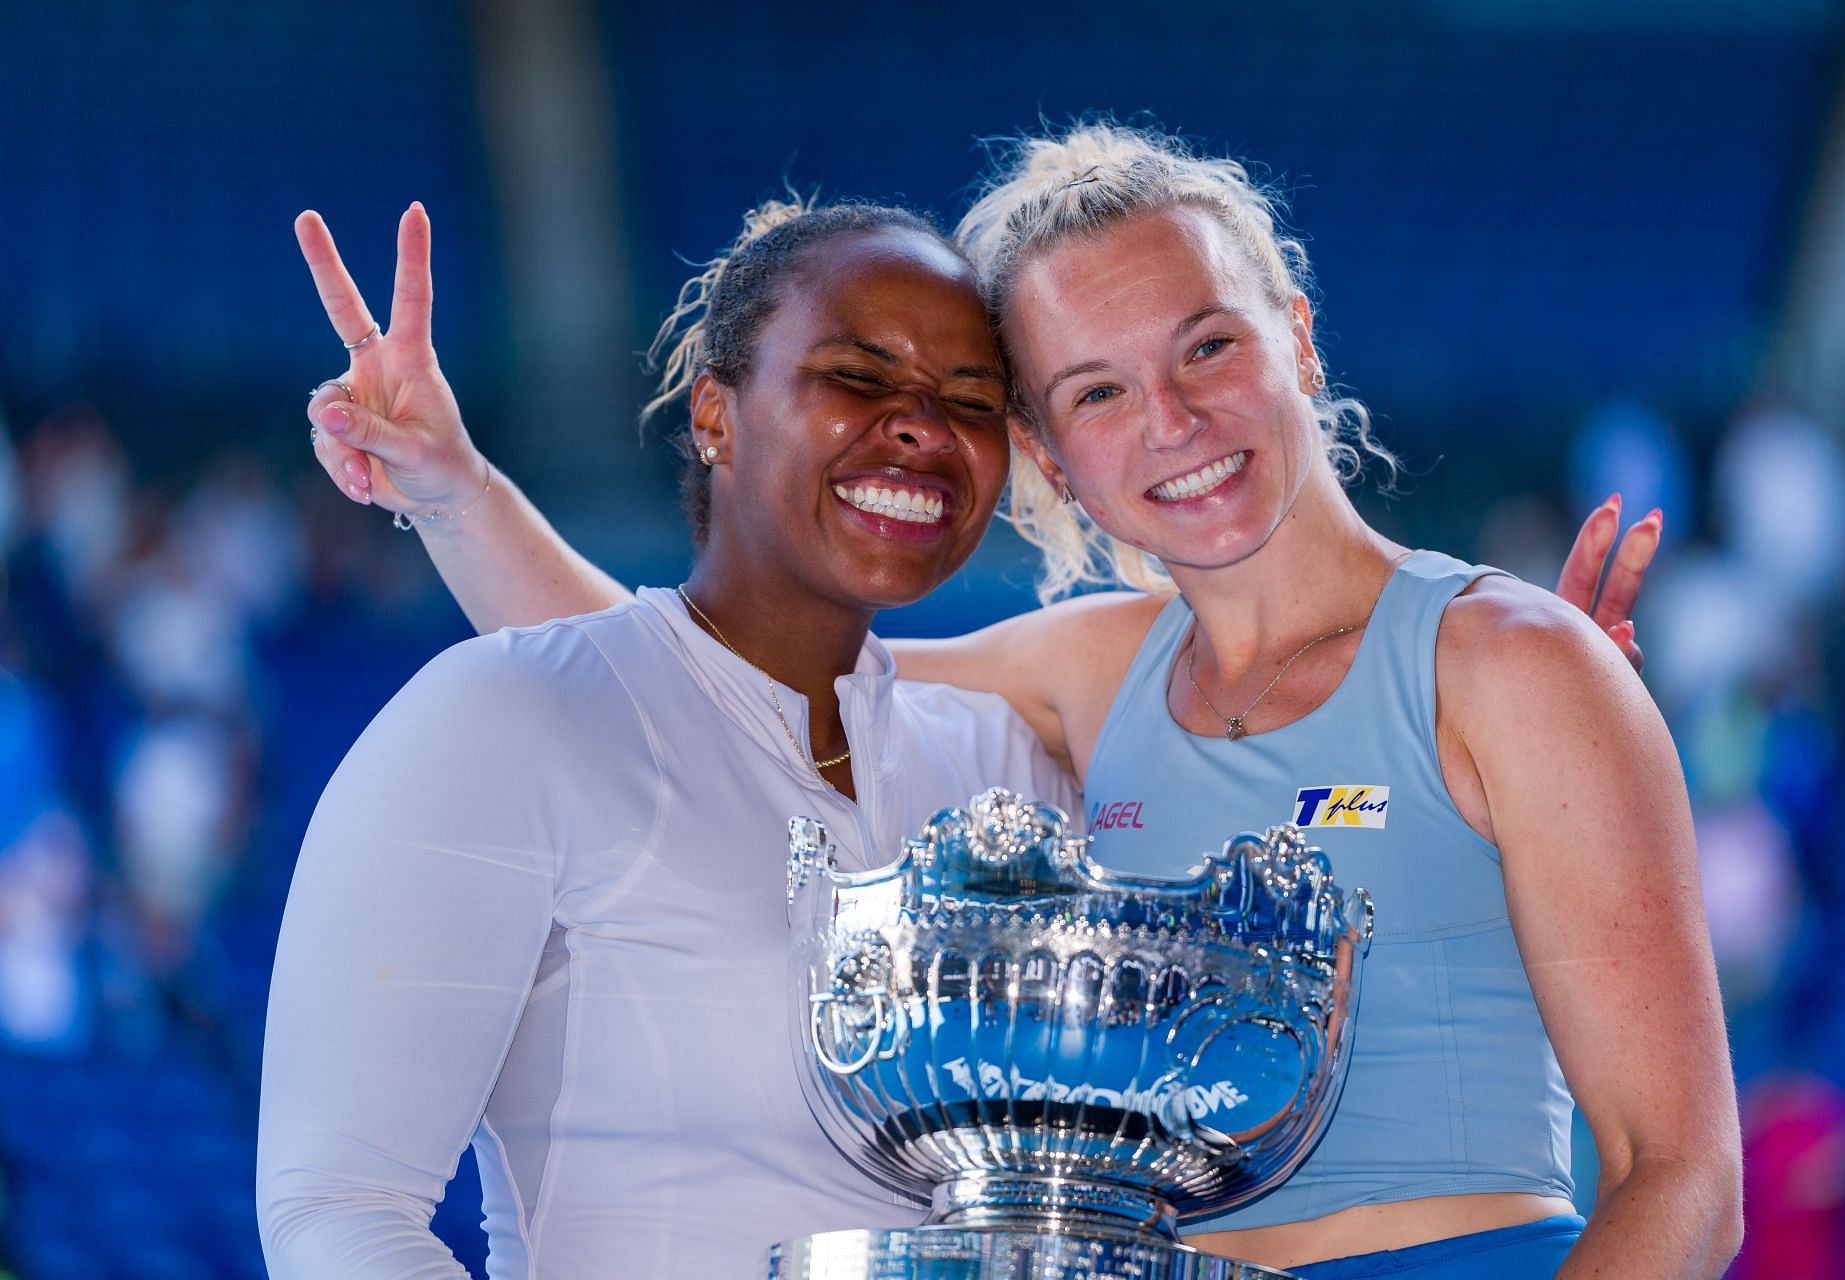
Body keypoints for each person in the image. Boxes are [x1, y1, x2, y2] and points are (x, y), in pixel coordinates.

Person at [283, 128, 1697, 1279]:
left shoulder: (1509, 661)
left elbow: (1681, 1180)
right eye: (1097, 391)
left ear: (1298, 339)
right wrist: (453, 492)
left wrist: (1551, 699)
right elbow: (680, 684)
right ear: (1053, 461)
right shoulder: (1091, 675)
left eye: (1208, 347)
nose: (1172, 423)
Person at [258, 200, 1077, 1277]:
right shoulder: (502, 713)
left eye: (969, 398)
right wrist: (461, 497)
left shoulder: (1013, 770)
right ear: (716, 415)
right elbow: (339, 1210)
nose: (921, 424)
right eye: (857, 376)